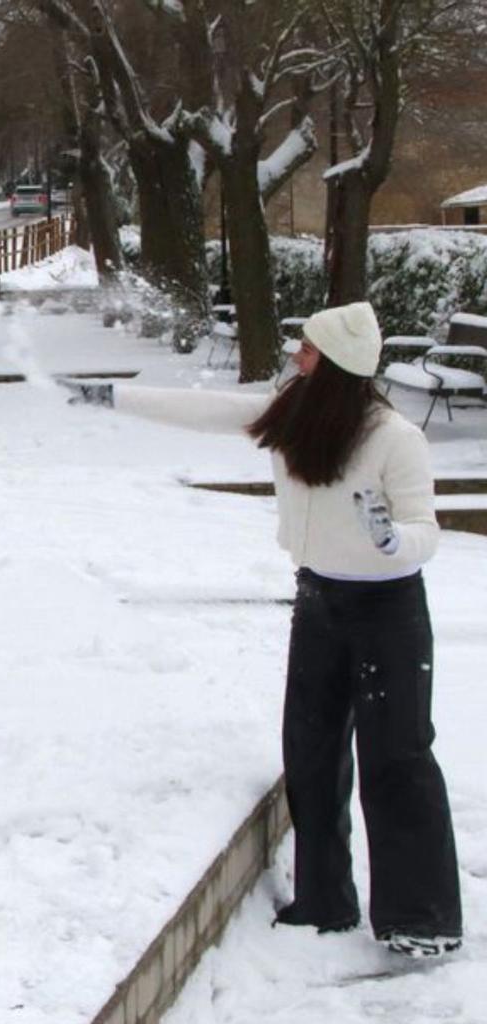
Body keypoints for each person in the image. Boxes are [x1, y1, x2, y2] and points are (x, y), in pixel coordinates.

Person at [70, 302, 462, 959]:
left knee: (396, 759)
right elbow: (214, 410)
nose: (293, 357)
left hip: (387, 612)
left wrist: (391, 538)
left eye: (305, 350)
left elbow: (426, 531)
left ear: (333, 364)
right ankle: (324, 902)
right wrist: (114, 396)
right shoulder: (295, 412)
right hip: (318, 603)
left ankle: (421, 919)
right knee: (310, 752)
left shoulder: (395, 438)